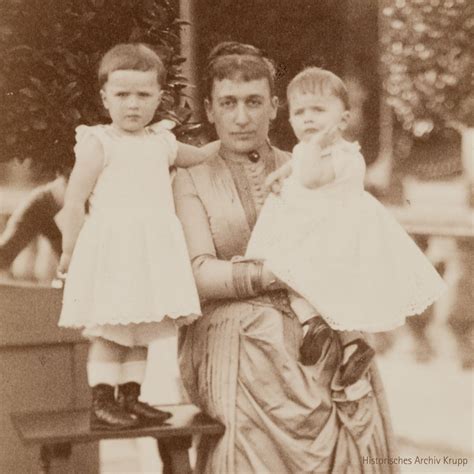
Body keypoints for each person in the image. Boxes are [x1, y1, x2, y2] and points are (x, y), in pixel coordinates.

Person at [173, 41, 399, 473]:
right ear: (210, 108)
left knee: (352, 368)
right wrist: (274, 274)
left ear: (276, 106)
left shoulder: (308, 167)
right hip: (230, 326)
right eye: (229, 103)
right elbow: (197, 274)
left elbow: (351, 235)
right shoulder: (190, 177)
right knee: (265, 335)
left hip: (317, 320)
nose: (242, 117)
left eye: (255, 102)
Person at [245, 67, 447, 385]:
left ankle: (325, 328)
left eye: (318, 111)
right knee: (291, 278)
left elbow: (311, 178)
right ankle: (340, 337)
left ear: (343, 120)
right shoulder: (307, 151)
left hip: (331, 239)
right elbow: (297, 170)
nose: (308, 119)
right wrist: (278, 176)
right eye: (300, 112)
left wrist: (309, 150)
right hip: (318, 234)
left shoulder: (344, 155)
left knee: (294, 273)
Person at [58, 43, 207, 430]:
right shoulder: (99, 143)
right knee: (110, 332)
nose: (133, 105)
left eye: (143, 95)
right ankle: (102, 400)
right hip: (114, 253)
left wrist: (228, 148)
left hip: (149, 254)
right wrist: (68, 251)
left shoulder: (161, 141)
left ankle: (131, 397)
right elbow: (73, 202)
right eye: (122, 95)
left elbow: (204, 155)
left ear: (160, 97)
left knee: (140, 330)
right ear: (105, 97)